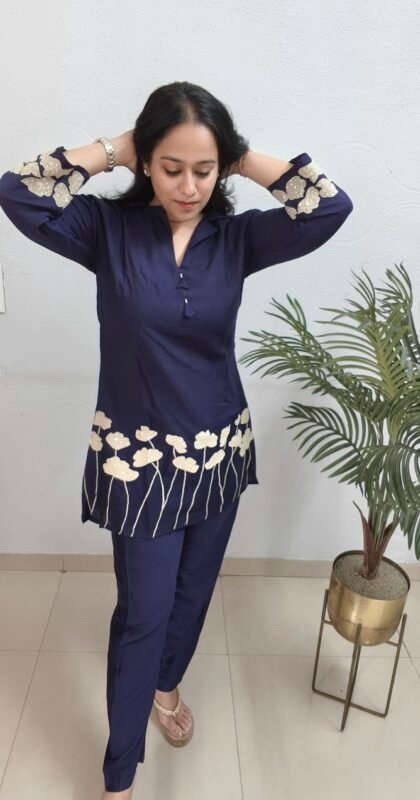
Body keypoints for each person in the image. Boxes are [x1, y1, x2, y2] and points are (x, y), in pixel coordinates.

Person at [0, 80, 353, 798]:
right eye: (170, 167)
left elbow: (329, 206)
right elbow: (19, 193)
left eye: (203, 170)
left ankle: (166, 686)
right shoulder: (105, 230)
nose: (189, 187)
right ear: (146, 163)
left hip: (220, 451)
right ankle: (119, 777)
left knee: (192, 595)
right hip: (138, 466)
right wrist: (115, 148)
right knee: (143, 615)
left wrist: (236, 153)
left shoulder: (239, 239)